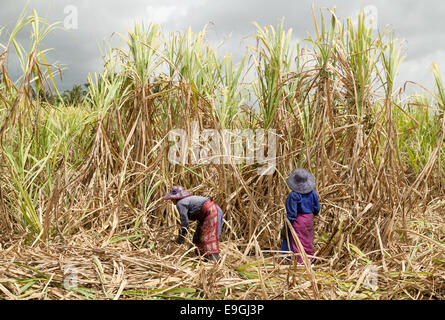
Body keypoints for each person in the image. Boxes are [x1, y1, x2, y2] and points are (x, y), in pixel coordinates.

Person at [163, 186, 223, 262]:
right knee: (198, 237)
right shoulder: (186, 200)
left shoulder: (181, 203)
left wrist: (180, 239)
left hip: (211, 211)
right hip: (209, 213)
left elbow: (185, 223)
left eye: (172, 198)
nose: (171, 200)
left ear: (175, 198)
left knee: (208, 237)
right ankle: (200, 259)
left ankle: (212, 262)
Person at [280, 168, 321, 263]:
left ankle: (299, 260)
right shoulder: (313, 193)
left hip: (298, 221)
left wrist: (287, 226)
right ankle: (309, 258)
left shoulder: (293, 196)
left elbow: (292, 214)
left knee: (296, 240)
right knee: (307, 239)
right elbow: (317, 208)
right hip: (309, 219)